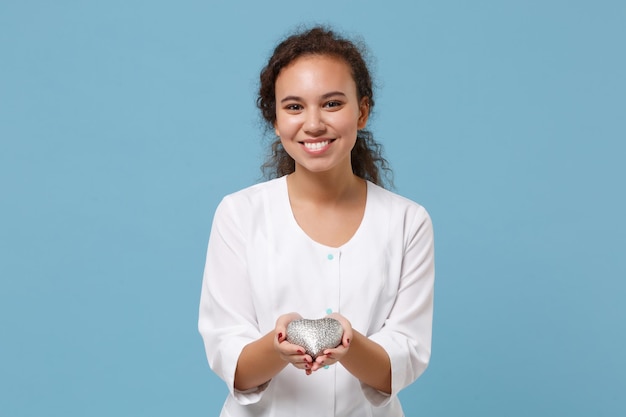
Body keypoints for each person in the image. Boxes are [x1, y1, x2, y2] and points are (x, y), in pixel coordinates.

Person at [198, 26, 435, 417]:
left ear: (362, 111)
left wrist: (350, 344)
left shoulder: (408, 221)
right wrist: (277, 347)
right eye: (294, 107)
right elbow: (232, 361)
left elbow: (402, 360)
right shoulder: (239, 214)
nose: (313, 124)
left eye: (332, 104)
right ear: (274, 119)